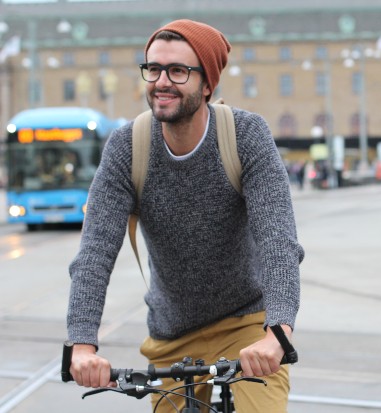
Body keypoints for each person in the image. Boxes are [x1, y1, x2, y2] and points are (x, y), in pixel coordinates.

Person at [65, 19, 304, 413]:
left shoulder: (245, 136)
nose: (161, 81)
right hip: (171, 333)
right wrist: (82, 344)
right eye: (153, 68)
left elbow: (278, 242)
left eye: (178, 71)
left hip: (248, 324)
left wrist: (277, 333)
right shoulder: (127, 147)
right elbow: (94, 254)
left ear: (207, 84)